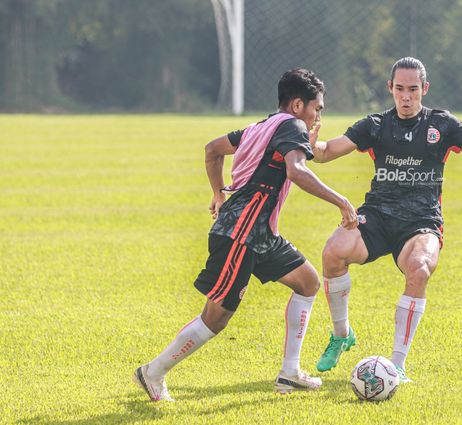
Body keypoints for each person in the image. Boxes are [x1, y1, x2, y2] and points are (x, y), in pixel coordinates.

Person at [133, 68, 357, 401]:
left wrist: (218, 194)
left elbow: (213, 150)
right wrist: (340, 201)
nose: (317, 115)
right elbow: (296, 171)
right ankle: (153, 372)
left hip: (260, 233)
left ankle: (290, 373)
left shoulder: (260, 127)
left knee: (307, 282)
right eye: (317, 108)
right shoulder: (292, 126)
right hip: (241, 233)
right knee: (216, 318)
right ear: (298, 105)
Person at [311, 57, 462, 382]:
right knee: (332, 252)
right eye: (399, 89)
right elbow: (326, 152)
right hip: (378, 215)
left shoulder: (443, 124)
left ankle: (397, 365)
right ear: (390, 89)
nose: (406, 97)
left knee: (420, 268)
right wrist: (312, 143)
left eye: (412, 89)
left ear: (424, 89)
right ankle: (342, 334)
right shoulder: (376, 125)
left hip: (421, 222)